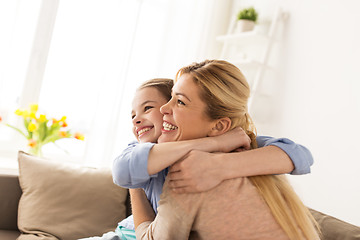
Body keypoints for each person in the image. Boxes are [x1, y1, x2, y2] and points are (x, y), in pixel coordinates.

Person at [131, 60, 320, 239]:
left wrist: (135, 182)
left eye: (180, 102)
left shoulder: (193, 171)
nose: (164, 108)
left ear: (219, 127)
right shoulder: (256, 157)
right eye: (171, 97)